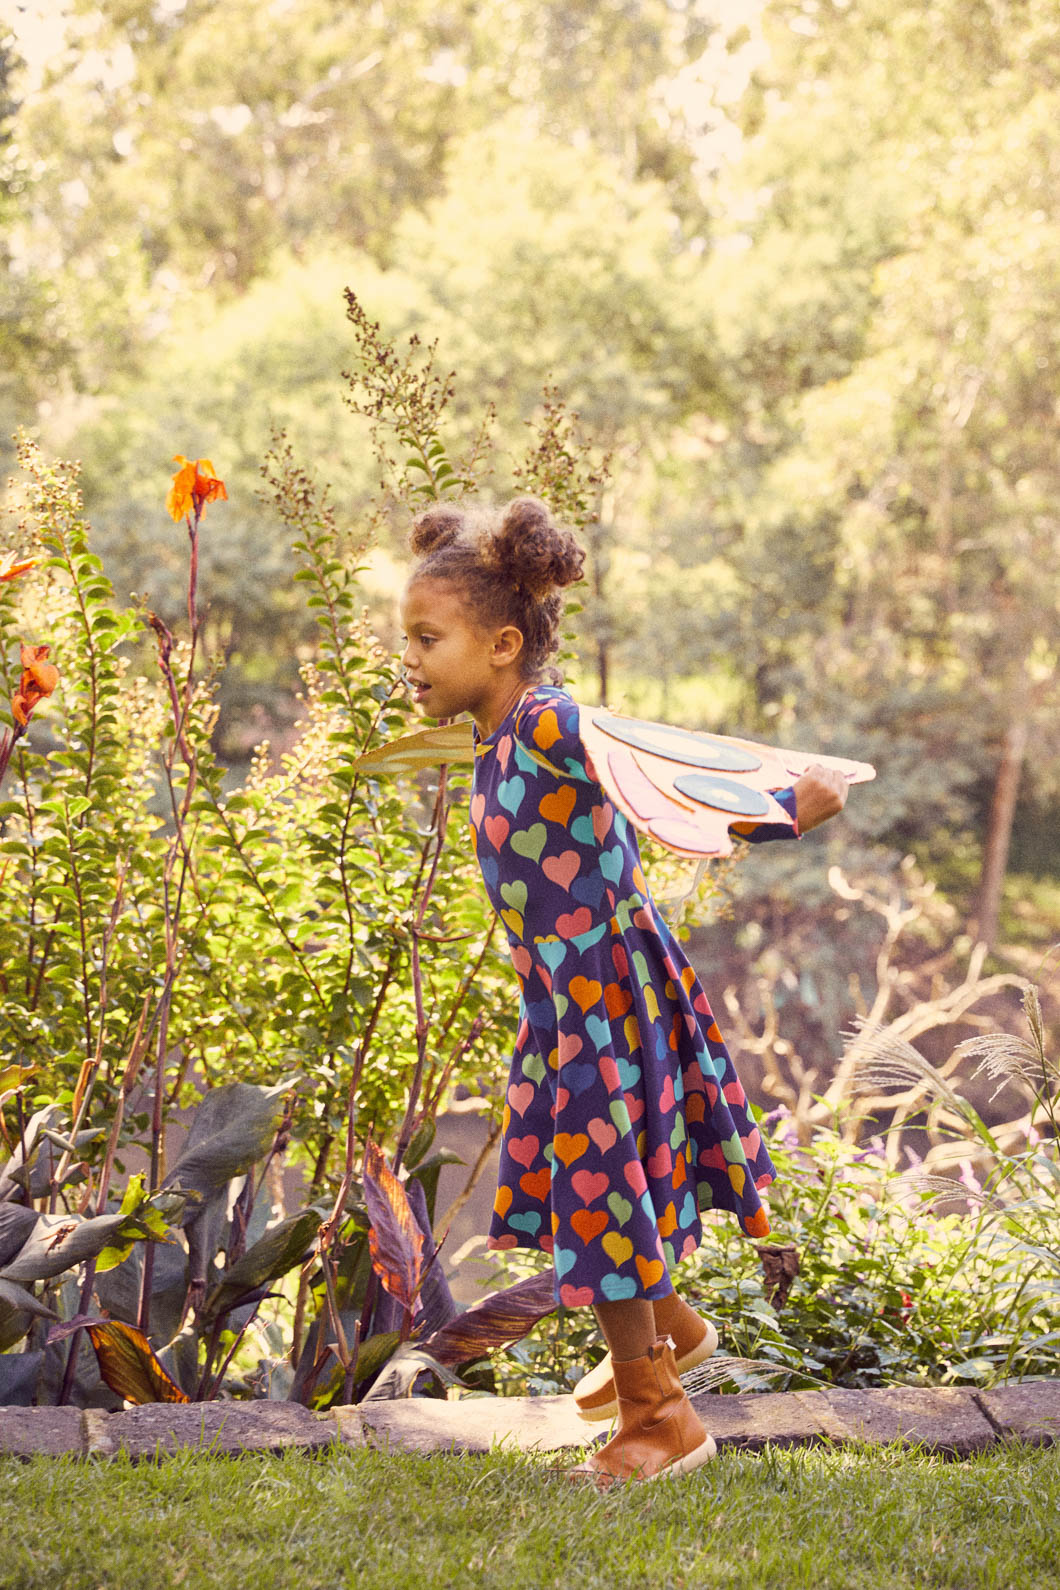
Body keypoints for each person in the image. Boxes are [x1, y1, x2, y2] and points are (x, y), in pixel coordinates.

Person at [398, 497, 849, 1488]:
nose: (412, 659)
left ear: (503, 642)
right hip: (565, 1003)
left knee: (598, 1191)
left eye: (429, 639)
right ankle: (670, 1334)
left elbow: (657, 780)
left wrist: (782, 815)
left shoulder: (549, 719)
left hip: (606, 995)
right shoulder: (492, 735)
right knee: (594, 1188)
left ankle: (661, 1417)